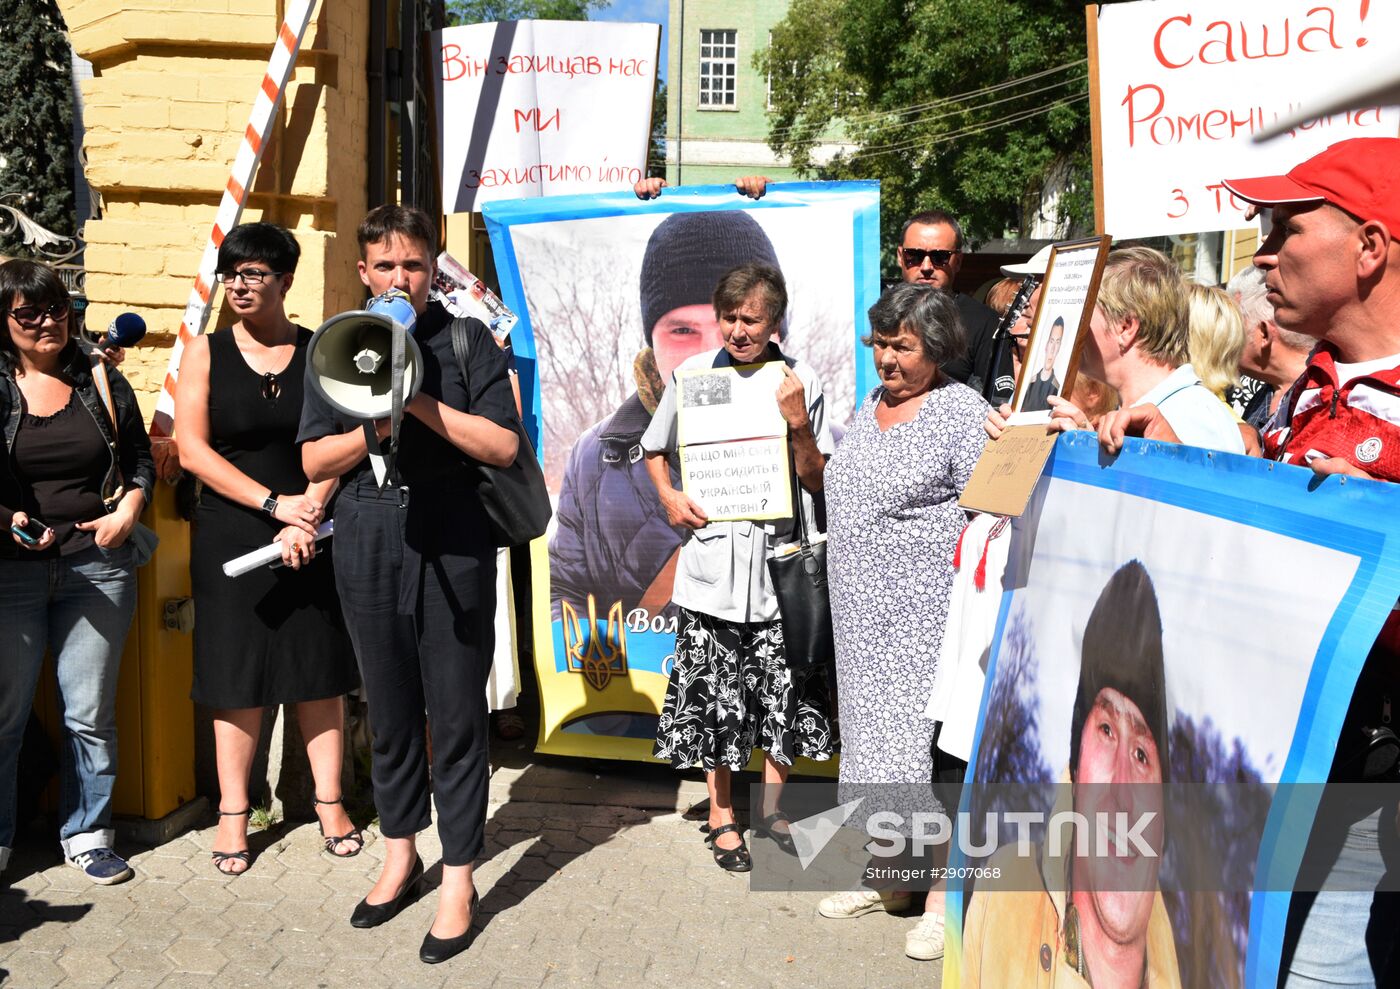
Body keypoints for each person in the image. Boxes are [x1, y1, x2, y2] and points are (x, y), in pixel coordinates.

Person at [299, 204, 520, 964]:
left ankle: (459, 875)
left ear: (435, 270)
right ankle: (401, 851)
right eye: (385, 266)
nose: (400, 278)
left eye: (414, 265)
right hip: (367, 533)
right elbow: (312, 464)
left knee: (455, 716)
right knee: (389, 709)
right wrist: (372, 426)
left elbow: (499, 443)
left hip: (453, 540)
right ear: (364, 272)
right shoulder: (341, 345)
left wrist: (414, 401)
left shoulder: (466, 339)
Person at [1222, 135, 1400, 988]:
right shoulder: (1306, 387)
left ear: (1370, 247)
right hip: (1283, 766)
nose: (1262, 251)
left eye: (1288, 225)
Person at [173, 222, 361, 875]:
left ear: (284, 280)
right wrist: (273, 506)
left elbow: (344, 436)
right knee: (237, 674)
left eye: (254, 273)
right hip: (233, 530)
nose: (240, 285)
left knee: (319, 669)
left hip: (314, 525)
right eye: (233, 272)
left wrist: (307, 509)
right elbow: (192, 449)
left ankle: (329, 802)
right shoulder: (204, 352)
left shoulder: (318, 351)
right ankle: (233, 811)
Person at [814, 282, 988, 961]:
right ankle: (889, 877)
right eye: (881, 343)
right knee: (869, 748)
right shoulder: (872, 403)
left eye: (903, 346)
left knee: (924, 758)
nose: (887, 358)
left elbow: (990, 516)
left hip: (925, 618)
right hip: (861, 619)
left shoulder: (959, 410)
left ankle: (941, 903)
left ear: (937, 347)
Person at [642, 262, 835, 872]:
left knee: (781, 696)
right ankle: (722, 814)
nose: (737, 330)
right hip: (711, 572)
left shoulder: (799, 381)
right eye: (729, 317)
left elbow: (818, 477)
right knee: (717, 698)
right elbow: (652, 449)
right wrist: (670, 496)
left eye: (750, 319)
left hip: (777, 571)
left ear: (774, 320)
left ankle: (772, 811)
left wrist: (799, 421)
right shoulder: (693, 376)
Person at [549, 207, 784, 628]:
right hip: (642, 686)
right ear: (651, 342)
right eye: (682, 330)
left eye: (737, 321)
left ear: (774, 328)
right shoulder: (595, 456)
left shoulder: (825, 441)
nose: (715, 347)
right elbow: (564, 593)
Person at [0, 258, 154, 884]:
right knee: (4, 715)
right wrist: (5, 517)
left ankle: (88, 833)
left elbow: (140, 456)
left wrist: (131, 509)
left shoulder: (97, 375)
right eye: (28, 313)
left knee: (89, 713)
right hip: (10, 573)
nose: (47, 322)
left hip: (99, 562)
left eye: (57, 308)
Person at [962, 561, 1182, 989]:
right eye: (1105, 729)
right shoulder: (1006, 897)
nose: (1120, 790)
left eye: (1141, 753)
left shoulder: (1191, 970)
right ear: (1076, 769)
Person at [986, 246, 1245, 457]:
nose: (1073, 328)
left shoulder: (1193, 414)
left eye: (1086, 312)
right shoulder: (1159, 406)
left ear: (1126, 327)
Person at [895, 211, 1001, 392]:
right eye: (914, 255)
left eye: (940, 257)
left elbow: (996, 402)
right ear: (899, 256)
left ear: (958, 261)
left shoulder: (984, 322)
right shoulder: (883, 315)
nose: (926, 267)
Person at [1225, 265, 1312, 433]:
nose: (1225, 337)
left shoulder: (1319, 398)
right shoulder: (1266, 392)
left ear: (1264, 333)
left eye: (1234, 326)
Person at [1020, 315, 1065, 413]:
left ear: (1060, 347)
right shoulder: (1028, 382)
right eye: (1051, 341)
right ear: (1046, 344)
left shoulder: (1059, 387)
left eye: (1057, 342)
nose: (1053, 349)